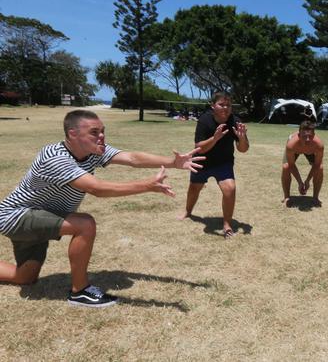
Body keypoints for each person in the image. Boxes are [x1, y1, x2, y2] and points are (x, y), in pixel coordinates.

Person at [0, 109, 205, 307]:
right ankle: (80, 292)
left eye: (102, 131)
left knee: (25, 277)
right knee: (85, 224)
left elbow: (132, 158)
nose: (102, 136)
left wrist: (173, 163)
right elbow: (96, 189)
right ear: (73, 134)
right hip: (16, 216)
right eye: (94, 132)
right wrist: (146, 186)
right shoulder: (54, 156)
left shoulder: (92, 152)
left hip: (41, 216)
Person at [178, 92, 249, 239]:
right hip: (202, 160)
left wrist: (241, 139)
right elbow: (199, 147)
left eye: (228, 105)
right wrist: (215, 138)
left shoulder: (235, 121)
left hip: (223, 162)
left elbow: (243, 149)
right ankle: (188, 211)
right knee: (194, 188)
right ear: (213, 106)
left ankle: (227, 224)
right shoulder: (205, 120)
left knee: (230, 189)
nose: (225, 108)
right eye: (221, 104)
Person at [281, 120, 324, 207]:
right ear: (299, 135)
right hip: (296, 149)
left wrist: (307, 181)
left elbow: (317, 165)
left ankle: (315, 197)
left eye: (310, 136)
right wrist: (300, 182)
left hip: (311, 151)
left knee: (320, 168)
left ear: (314, 135)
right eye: (304, 136)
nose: (307, 139)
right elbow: (291, 165)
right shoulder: (291, 145)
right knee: (286, 167)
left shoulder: (319, 145)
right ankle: (286, 197)